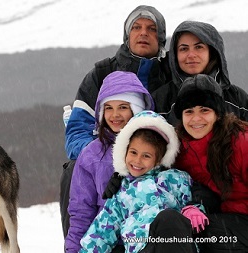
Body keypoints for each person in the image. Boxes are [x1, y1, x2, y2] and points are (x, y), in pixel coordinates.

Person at [61, 5, 171, 238]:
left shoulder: (169, 77)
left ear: (160, 39)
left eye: (151, 29)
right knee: (73, 170)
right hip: (100, 157)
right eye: (136, 27)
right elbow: (76, 132)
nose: (143, 33)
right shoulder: (101, 74)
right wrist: (106, 158)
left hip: (153, 164)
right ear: (126, 35)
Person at [80, 110, 206, 253]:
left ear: (158, 159)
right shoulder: (121, 193)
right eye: (133, 152)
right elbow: (100, 234)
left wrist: (194, 210)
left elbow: (196, 201)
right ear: (125, 151)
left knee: (169, 218)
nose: (137, 161)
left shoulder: (176, 180)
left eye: (146, 156)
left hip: (175, 244)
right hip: (143, 248)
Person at [65, 71, 154, 253]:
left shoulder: (154, 146)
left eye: (122, 107)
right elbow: (81, 211)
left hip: (146, 240)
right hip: (106, 242)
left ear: (136, 109)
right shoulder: (92, 154)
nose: (115, 115)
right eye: (108, 108)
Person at [173, 74, 248, 252]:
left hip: (243, 218)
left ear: (218, 114)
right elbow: (147, 160)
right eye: (189, 111)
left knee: (205, 238)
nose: (196, 118)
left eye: (204, 110)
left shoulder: (240, 142)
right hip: (220, 214)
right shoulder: (179, 149)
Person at [153, 20, 248, 124]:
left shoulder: (237, 98)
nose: (191, 55)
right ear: (175, 56)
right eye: (184, 49)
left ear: (212, 52)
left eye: (199, 47)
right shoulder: (161, 100)